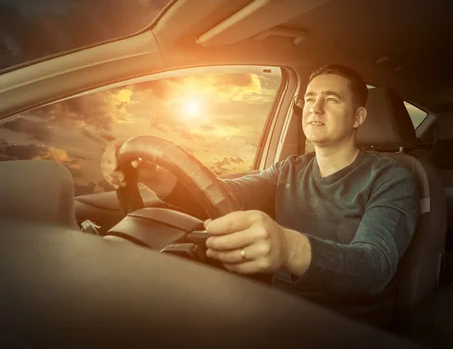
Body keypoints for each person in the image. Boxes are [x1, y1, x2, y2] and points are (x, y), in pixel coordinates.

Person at [101, 64, 419, 328]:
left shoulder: (392, 178)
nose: (315, 108)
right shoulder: (289, 169)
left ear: (358, 118)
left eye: (332, 99)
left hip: (346, 328)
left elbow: (374, 266)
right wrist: (158, 176)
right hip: (276, 311)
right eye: (309, 98)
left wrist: (289, 248)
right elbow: (225, 196)